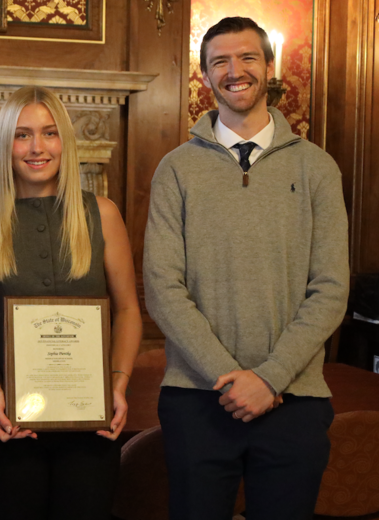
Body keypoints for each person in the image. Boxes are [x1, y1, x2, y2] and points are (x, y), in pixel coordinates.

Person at [144, 16, 349, 520]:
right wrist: (229, 378)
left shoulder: (317, 167)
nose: (235, 71)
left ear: (269, 66)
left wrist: (269, 378)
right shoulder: (176, 169)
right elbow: (163, 287)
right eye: (220, 62)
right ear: (206, 76)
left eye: (247, 57)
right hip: (197, 398)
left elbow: (330, 289)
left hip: (293, 397)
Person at [0, 86, 142, 520]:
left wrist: (117, 385)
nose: (36, 147)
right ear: (6, 146)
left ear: (65, 142)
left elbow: (128, 311)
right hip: (11, 421)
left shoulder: (103, 213)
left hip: (91, 419)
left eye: (49, 133)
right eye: (22, 135)